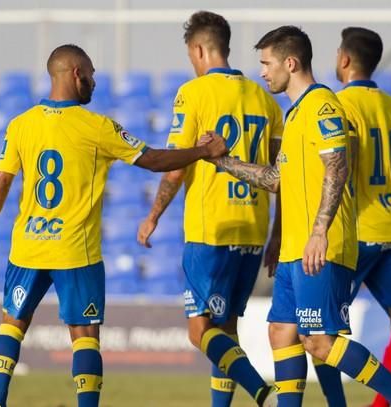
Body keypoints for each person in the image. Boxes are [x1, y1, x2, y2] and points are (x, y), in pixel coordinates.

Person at [0, 44, 227, 407]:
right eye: (91, 74)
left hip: (28, 248)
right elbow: (152, 160)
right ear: (76, 74)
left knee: (11, 324)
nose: (94, 81)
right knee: (84, 336)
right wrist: (202, 152)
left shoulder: (20, 124)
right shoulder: (98, 126)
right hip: (76, 251)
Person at [205, 25, 391, 407]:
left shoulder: (323, 104)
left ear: (290, 63)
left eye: (267, 63)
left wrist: (320, 231)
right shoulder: (294, 115)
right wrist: (223, 161)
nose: (262, 72)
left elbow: (337, 165)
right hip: (296, 249)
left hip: (320, 247)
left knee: (320, 342)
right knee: (281, 331)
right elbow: (276, 178)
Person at [137, 11, 281, 407]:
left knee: (199, 330)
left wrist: (153, 216)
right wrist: (278, 233)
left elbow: (178, 162)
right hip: (252, 228)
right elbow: (278, 173)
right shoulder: (263, 98)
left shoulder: (193, 93)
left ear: (198, 49)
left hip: (211, 228)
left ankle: (260, 391)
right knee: (226, 330)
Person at [312, 27, 391, 407]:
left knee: (318, 329)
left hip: (361, 228)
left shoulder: (338, 105)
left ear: (344, 59)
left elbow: (338, 169)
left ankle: (350, 402)